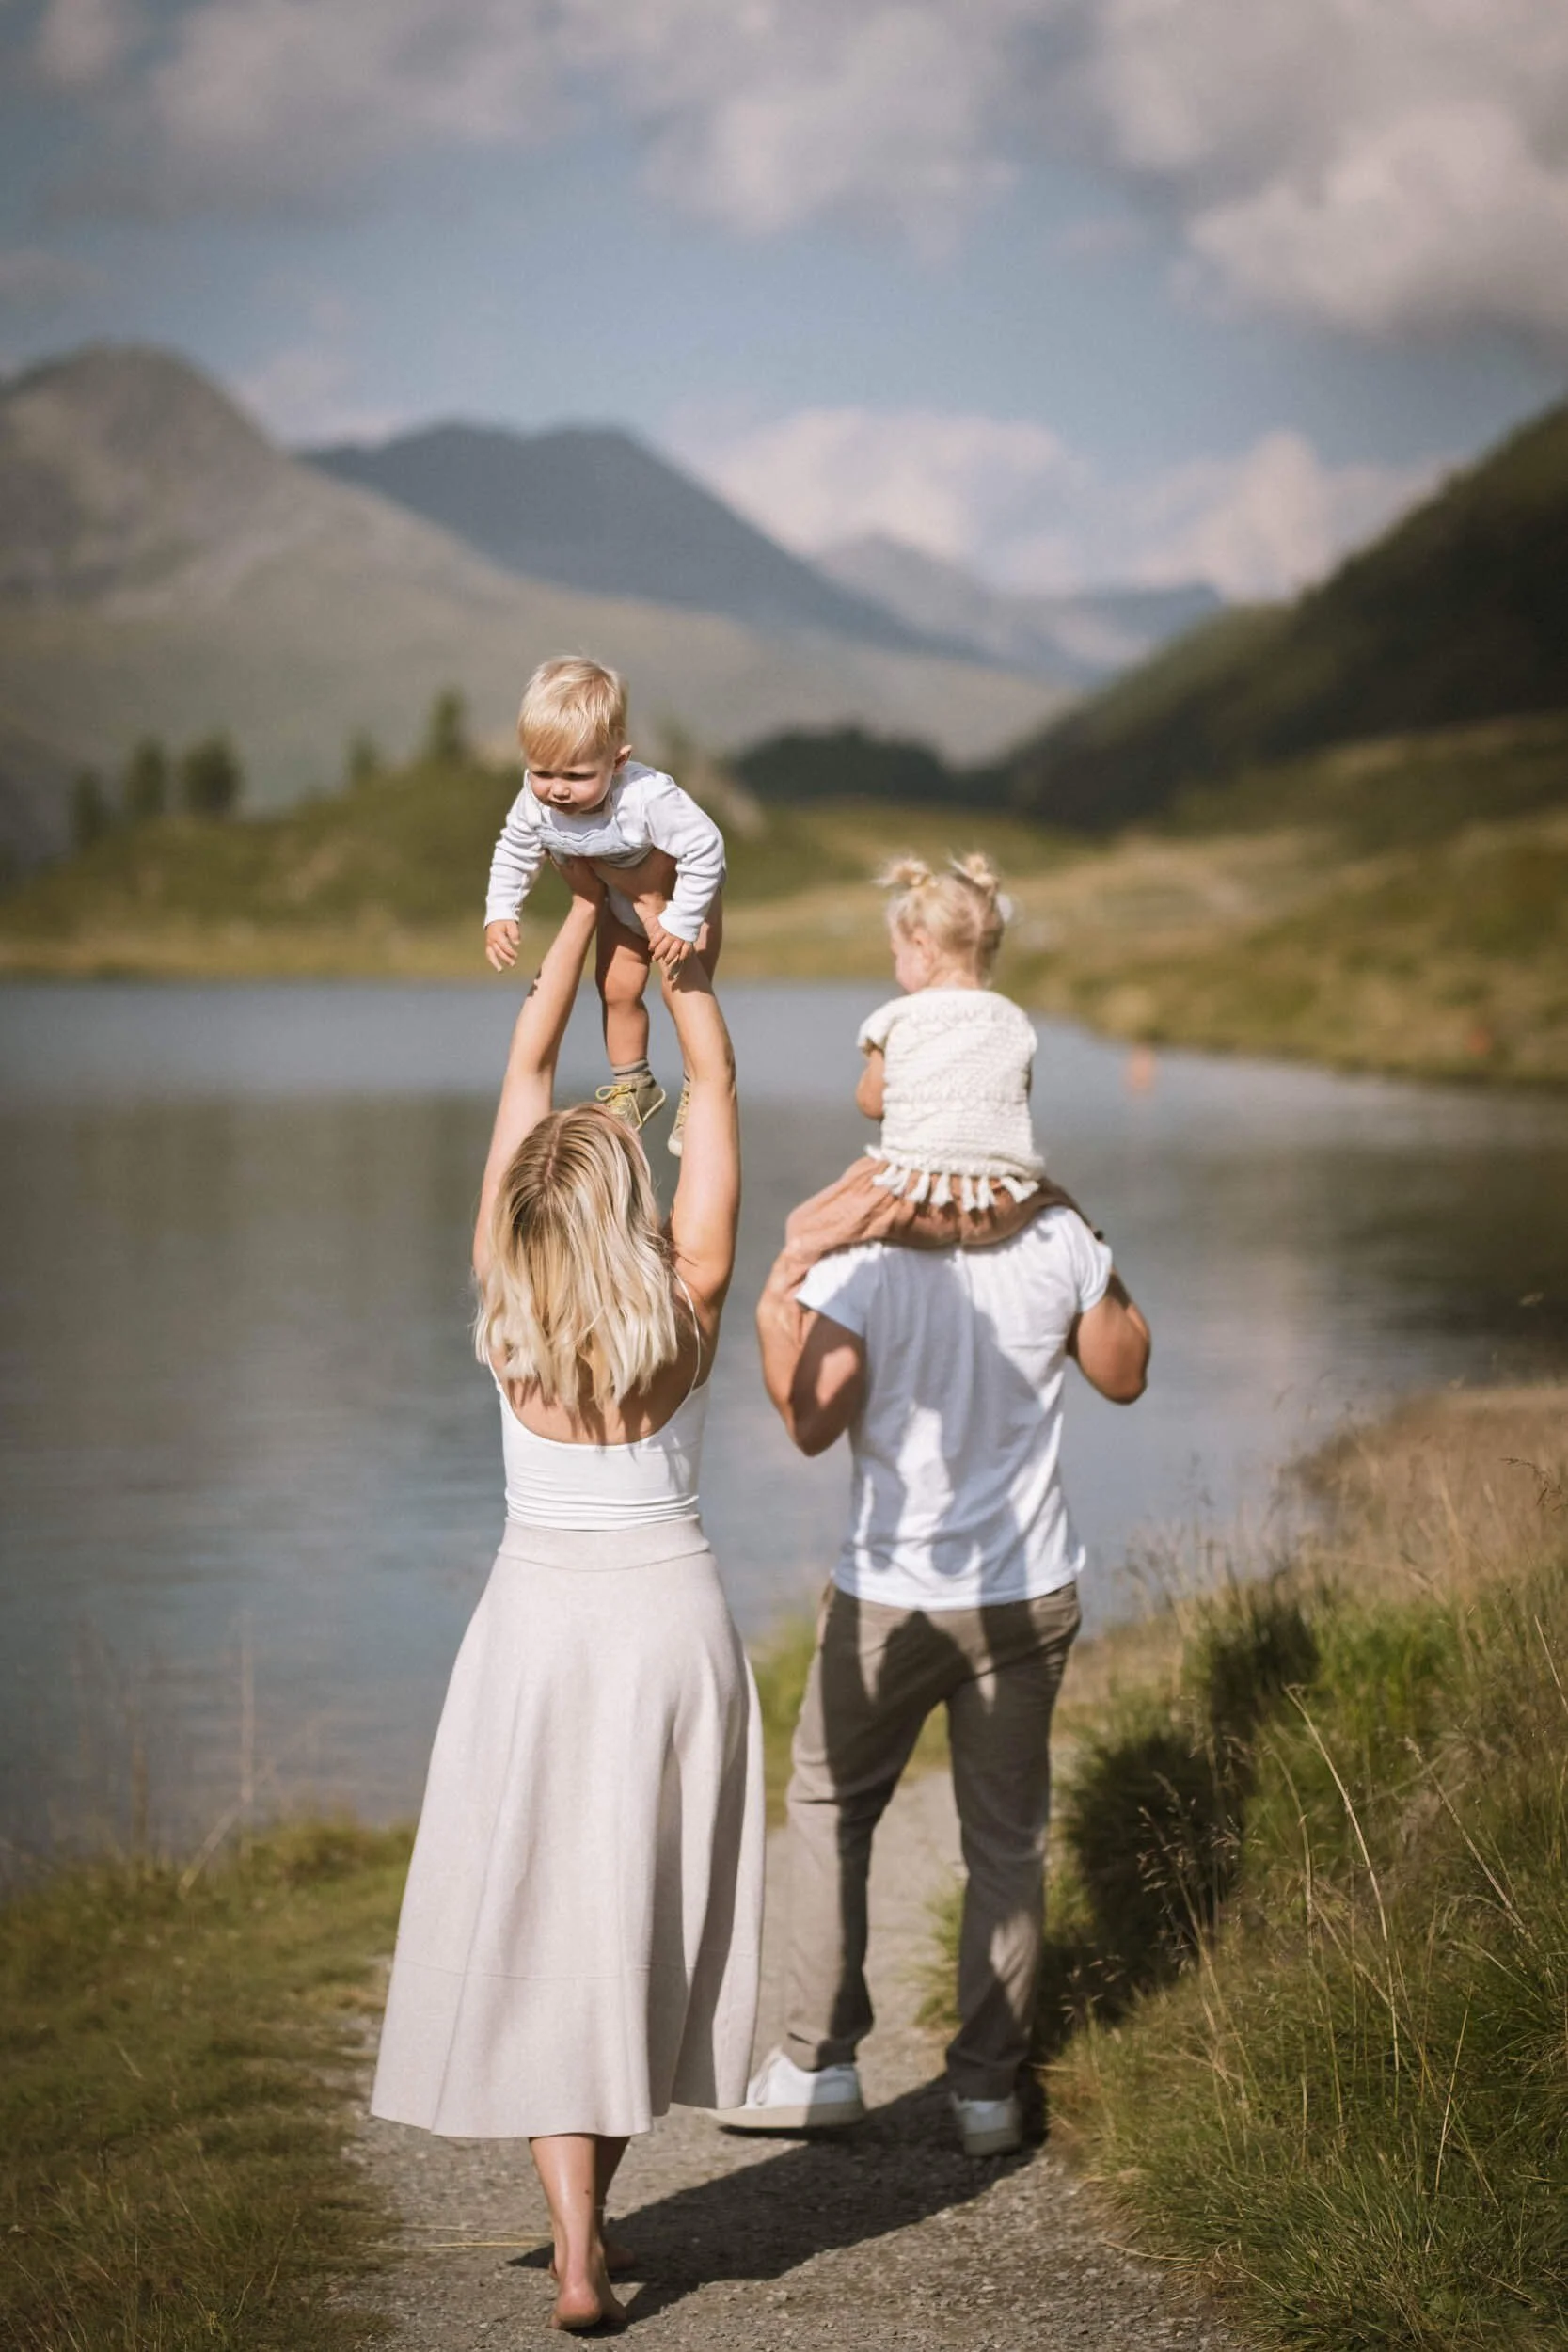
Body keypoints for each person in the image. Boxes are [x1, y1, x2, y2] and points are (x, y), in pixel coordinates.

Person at [373, 864, 763, 2333]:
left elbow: (529, 1063)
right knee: (624, 1924)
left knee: (544, 1922)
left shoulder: (499, 1299)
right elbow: (708, 1083)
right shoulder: (694, 1299)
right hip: (667, 1627)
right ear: (626, 1202)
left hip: (534, 1633)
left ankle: (578, 2249)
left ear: (533, 1211)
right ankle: (596, 2217)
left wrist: (575, 923)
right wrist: (676, 962)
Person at [726, 1146, 1150, 2158]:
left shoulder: (862, 1254)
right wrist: (1080, 1229)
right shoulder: (1056, 1235)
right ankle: (988, 2095)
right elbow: (1124, 1375)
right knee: (1005, 1840)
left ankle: (818, 2063)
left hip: (892, 1598)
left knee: (831, 1808)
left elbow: (808, 1422)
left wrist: (773, 1303)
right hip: (1024, 1588)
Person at [778, 853, 1080, 1281]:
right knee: (1067, 1210)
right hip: (999, 1203)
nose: (895, 964)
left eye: (895, 953)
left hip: (917, 1203)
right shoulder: (1014, 1021)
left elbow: (871, 1102)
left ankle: (803, 1342)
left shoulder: (899, 1018)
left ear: (922, 948)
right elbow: (1016, 1101)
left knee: (803, 1231)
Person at [483, 657, 725, 1156]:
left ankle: (697, 1089)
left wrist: (679, 920)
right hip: (618, 906)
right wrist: (502, 910)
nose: (558, 789)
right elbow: (513, 849)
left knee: (683, 993)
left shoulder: (647, 797)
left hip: (685, 902)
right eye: (541, 772)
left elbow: (706, 846)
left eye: (576, 774)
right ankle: (633, 1085)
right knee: (615, 990)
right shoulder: (535, 803)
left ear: (617, 762)